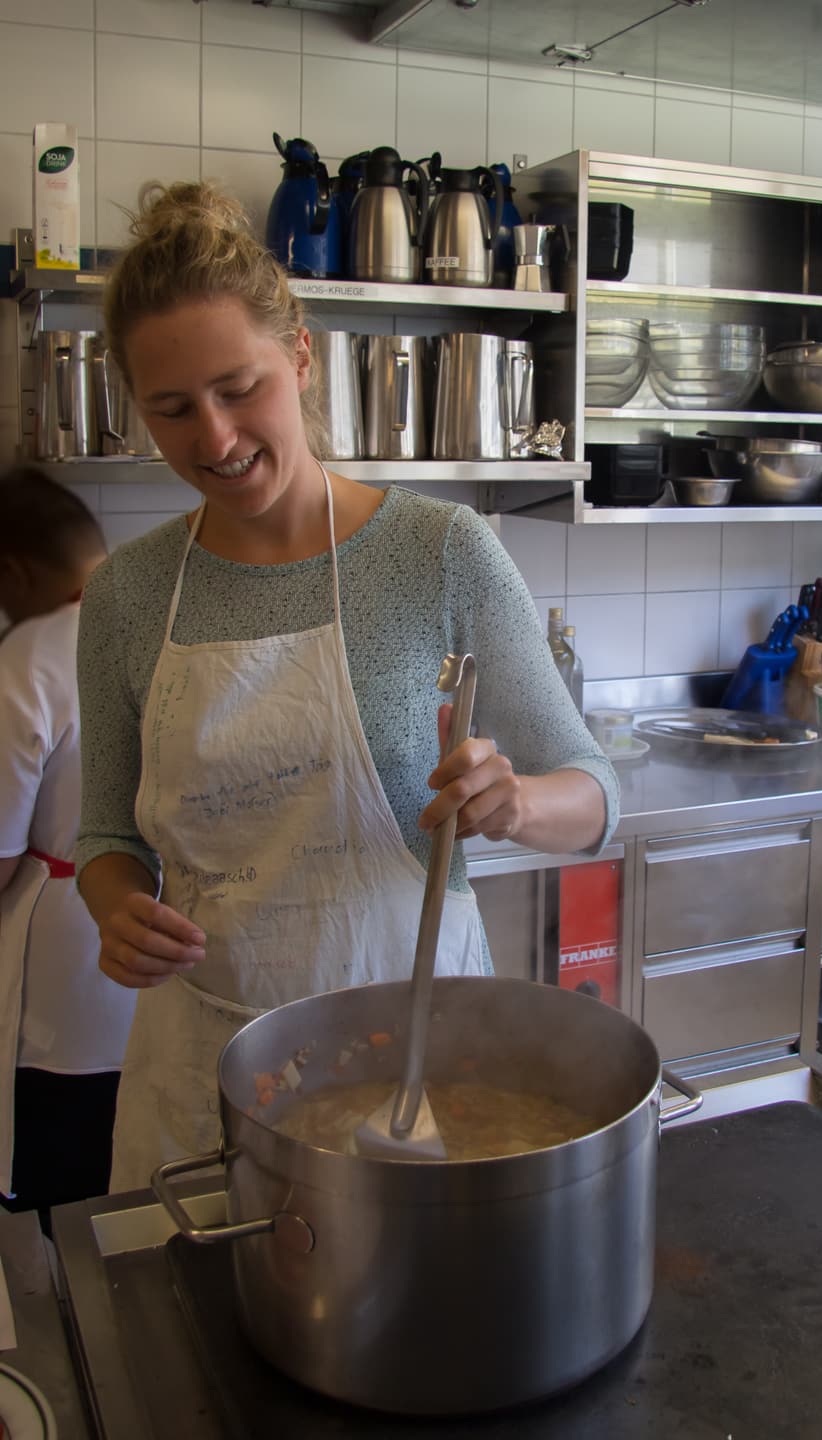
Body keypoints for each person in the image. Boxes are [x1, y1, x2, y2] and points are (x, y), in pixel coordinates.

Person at [75, 181, 620, 1193]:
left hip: (422, 1065)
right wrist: (117, 908)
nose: (217, 439)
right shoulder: (126, 597)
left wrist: (519, 801)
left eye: (240, 388)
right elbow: (108, 836)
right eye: (173, 409)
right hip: (208, 1067)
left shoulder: (441, 553)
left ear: (299, 355)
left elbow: (592, 793)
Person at [0, 466, 136, 1230]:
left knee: (59, 1210)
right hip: (173, 955)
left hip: (64, 994)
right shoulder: (165, 625)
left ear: (14, 571)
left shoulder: (29, 655)